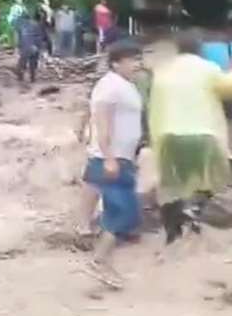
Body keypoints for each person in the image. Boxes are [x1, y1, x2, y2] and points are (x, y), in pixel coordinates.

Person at [150, 31, 232, 244]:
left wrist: (155, 141)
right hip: (203, 135)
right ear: (200, 49)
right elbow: (228, 89)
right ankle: (194, 216)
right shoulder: (207, 68)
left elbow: (154, 109)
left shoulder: (162, 71)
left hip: (169, 136)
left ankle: (173, 232)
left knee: (173, 186)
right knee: (207, 181)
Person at [82, 40, 144, 287]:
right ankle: (99, 261)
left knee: (120, 212)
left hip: (123, 157)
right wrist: (108, 157)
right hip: (112, 158)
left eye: (138, 59)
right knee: (124, 211)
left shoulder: (126, 85)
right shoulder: (109, 86)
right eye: (132, 60)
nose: (137, 64)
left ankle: (103, 263)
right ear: (116, 62)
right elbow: (102, 122)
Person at [16, 13, 45, 83]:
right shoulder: (36, 25)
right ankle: (32, 78)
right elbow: (41, 36)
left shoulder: (22, 25)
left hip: (26, 46)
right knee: (32, 63)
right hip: (33, 46)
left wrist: (19, 46)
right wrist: (39, 46)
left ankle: (21, 77)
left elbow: (19, 37)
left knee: (23, 62)